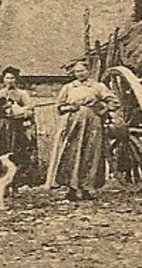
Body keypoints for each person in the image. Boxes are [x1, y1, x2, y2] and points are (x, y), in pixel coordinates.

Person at [49, 60, 114, 201]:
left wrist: (102, 109)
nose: (80, 74)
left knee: (91, 153)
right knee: (73, 153)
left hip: (93, 123)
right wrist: (70, 108)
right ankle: (72, 189)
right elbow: (59, 107)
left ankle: (87, 188)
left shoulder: (98, 86)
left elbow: (113, 101)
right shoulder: (68, 87)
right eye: (77, 72)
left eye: (82, 71)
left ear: (88, 71)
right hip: (74, 123)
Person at [0, 65, 38, 190]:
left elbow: (30, 110)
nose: (10, 81)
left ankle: (14, 184)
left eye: (12, 78)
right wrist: (0, 110)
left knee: (14, 154)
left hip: (15, 127)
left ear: (16, 79)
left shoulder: (22, 94)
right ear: (3, 79)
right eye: (7, 78)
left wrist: (19, 112)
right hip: (1, 127)